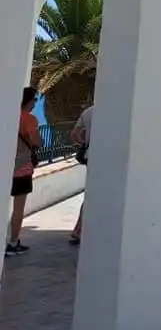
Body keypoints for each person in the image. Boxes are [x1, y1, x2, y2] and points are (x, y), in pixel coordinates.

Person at [6, 87, 41, 256]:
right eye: (35, 100)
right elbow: (36, 142)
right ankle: (13, 242)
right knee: (18, 209)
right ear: (29, 100)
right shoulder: (30, 119)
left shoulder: (8, 114)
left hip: (6, 165)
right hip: (21, 167)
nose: (36, 103)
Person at [69, 102, 93, 245]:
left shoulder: (88, 112)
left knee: (90, 193)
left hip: (90, 155)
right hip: (109, 159)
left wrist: (84, 143)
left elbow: (74, 134)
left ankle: (78, 230)